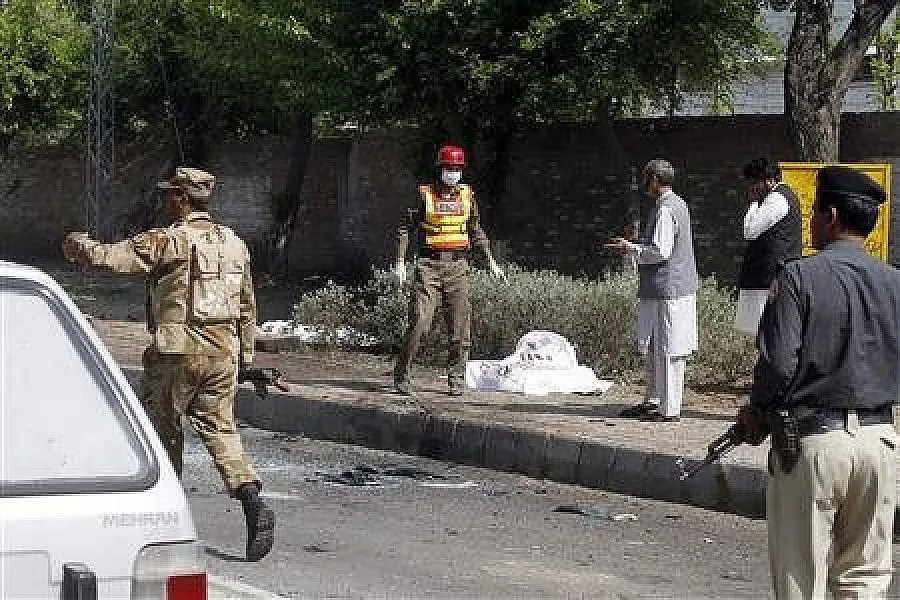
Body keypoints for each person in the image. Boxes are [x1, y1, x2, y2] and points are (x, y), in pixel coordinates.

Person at [62, 166, 275, 562]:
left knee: (162, 430)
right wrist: (245, 359)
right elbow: (247, 306)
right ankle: (251, 501)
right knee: (221, 429)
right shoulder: (234, 243)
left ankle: (164, 519)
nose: (165, 202)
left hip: (177, 351)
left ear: (181, 198)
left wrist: (79, 245)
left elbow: (115, 258)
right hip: (223, 352)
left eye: (169, 195)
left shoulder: (171, 239)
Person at [735, 166, 899, 598]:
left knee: (801, 579)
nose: (809, 221)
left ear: (829, 216)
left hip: (814, 444)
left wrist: (757, 413)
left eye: (813, 213)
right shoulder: (895, 283)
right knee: (866, 579)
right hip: (881, 441)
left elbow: (777, 365)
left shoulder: (797, 277)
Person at [392, 143, 505, 396]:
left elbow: (476, 231)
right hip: (428, 266)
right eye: (448, 168)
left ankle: (456, 379)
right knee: (420, 322)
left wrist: (491, 262)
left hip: (458, 266)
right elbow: (404, 229)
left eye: (456, 168)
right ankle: (402, 376)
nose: (452, 172)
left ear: (462, 171)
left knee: (459, 328)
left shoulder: (467, 196)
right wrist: (399, 263)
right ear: (440, 169)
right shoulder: (424, 194)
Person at [606, 159, 698, 422]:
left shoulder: (666, 210)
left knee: (669, 348)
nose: (644, 184)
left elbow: (661, 251)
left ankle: (668, 409)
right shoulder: (676, 205)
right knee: (659, 347)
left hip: (669, 291)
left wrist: (631, 248)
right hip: (670, 289)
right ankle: (654, 401)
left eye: (647, 178)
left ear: (656, 180)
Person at [734, 157, 801, 334]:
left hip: (768, 278)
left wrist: (754, 203)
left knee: (764, 332)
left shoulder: (777, 199)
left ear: (769, 180)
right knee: (760, 332)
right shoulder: (779, 196)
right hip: (769, 276)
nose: (750, 188)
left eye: (753, 183)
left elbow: (750, 231)